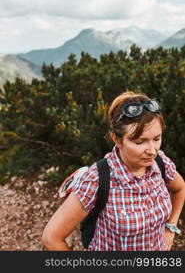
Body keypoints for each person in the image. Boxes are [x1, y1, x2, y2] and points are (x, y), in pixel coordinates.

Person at [42, 91, 185, 251]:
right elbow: (51, 238)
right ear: (117, 139)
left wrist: (170, 227)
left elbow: (180, 188)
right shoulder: (97, 180)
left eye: (157, 139)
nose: (152, 150)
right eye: (140, 142)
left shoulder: (160, 162)